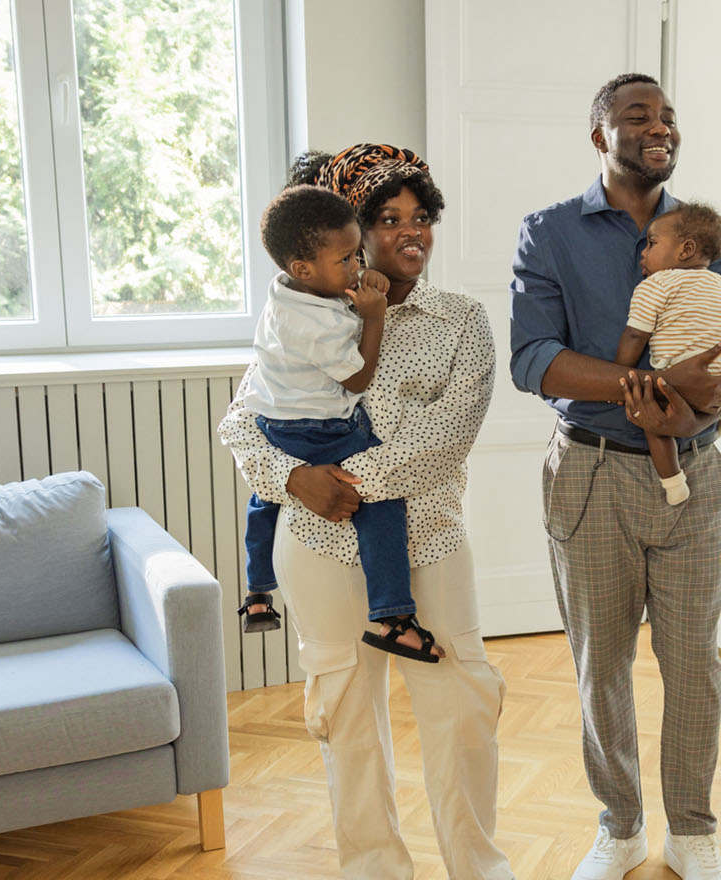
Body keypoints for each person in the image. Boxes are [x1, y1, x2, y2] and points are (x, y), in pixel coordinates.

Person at [220, 143, 514, 880]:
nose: (411, 233)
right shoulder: (300, 319)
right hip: (318, 545)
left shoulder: (460, 321)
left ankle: (479, 869)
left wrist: (342, 480)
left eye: (423, 217)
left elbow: (445, 440)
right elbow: (238, 423)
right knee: (345, 721)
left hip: (430, 538)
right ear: (350, 234)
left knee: (465, 710)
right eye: (388, 219)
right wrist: (293, 479)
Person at [510, 73, 721, 880]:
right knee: (602, 663)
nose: (659, 127)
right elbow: (533, 359)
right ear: (600, 137)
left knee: (694, 662)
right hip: (589, 477)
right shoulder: (548, 233)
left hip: (696, 473)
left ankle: (693, 833)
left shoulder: (711, 231)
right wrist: (646, 392)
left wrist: (697, 410)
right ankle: (618, 827)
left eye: (668, 117)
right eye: (636, 116)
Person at [237, 183, 438, 662]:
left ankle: (258, 591)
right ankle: (392, 614)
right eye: (347, 259)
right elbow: (358, 378)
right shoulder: (317, 323)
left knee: (265, 497)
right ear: (303, 268)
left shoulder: (286, 293)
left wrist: (353, 289)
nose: (357, 267)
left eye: (357, 255)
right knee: (381, 501)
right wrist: (374, 316)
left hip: (275, 424)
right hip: (321, 429)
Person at [614, 200, 721, 505]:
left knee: (653, 418)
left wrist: (621, 375)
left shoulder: (655, 286)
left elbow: (636, 334)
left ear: (685, 250)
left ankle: (673, 480)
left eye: (651, 243)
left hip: (682, 377)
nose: (644, 252)